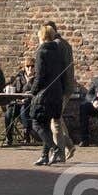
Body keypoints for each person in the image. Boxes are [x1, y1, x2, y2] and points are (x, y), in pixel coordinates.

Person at [29, 24, 66, 167]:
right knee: (46, 125)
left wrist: (32, 91)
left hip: (45, 94)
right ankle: (44, 156)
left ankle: (55, 149)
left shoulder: (41, 52)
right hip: (57, 93)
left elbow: (40, 76)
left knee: (36, 123)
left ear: (42, 37)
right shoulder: (59, 52)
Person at [44, 21, 76, 162]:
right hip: (67, 86)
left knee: (54, 120)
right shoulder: (66, 44)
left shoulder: (56, 45)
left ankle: (60, 153)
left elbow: (56, 69)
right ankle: (69, 144)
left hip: (60, 88)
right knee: (58, 118)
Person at [3, 57, 34, 147]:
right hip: (17, 102)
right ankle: (9, 138)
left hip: (30, 104)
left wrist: (27, 98)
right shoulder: (18, 77)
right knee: (9, 113)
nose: (30, 68)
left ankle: (26, 136)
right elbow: (10, 86)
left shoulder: (37, 78)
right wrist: (7, 88)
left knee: (24, 110)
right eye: (28, 66)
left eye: (32, 66)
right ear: (24, 67)